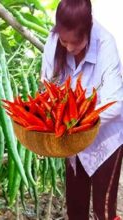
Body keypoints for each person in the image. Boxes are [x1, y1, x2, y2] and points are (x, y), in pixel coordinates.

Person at [40, 0, 123, 219]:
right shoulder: (54, 40)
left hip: (105, 139)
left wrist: (78, 121)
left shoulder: (106, 44)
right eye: (64, 41)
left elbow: (115, 102)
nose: (67, 48)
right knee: (75, 206)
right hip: (73, 140)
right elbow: (48, 85)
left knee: (103, 209)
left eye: (74, 42)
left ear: (87, 30)